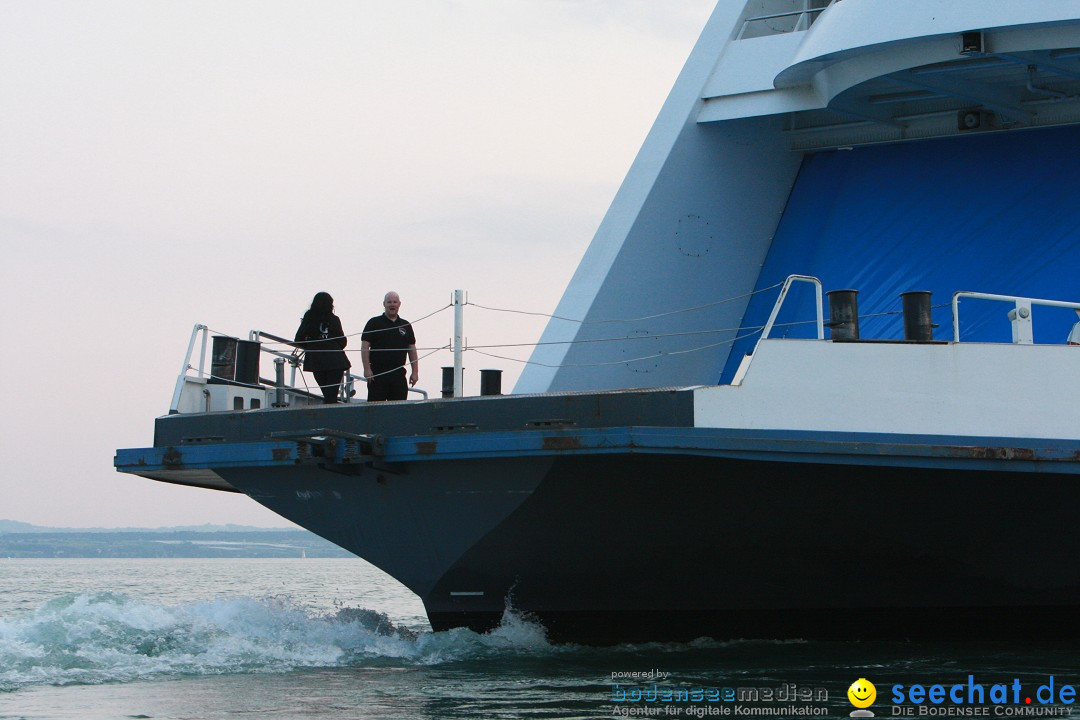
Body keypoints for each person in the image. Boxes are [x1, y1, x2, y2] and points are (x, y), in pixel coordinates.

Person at [294, 292, 351, 403]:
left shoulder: (309, 318)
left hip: (316, 360)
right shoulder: (334, 319)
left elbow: (298, 339)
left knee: (327, 394)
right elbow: (342, 341)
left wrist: (310, 346)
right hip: (335, 360)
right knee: (331, 396)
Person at [361, 291, 418, 401]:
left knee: (399, 409)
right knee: (375, 409)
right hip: (377, 373)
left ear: (399, 304)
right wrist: (366, 369)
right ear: (384, 304)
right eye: (389, 302)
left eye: (395, 302)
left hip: (398, 373)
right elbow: (365, 346)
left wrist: (415, 372)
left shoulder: (406, 325)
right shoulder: (374, 323)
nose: (392, 304)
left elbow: (412, 349)